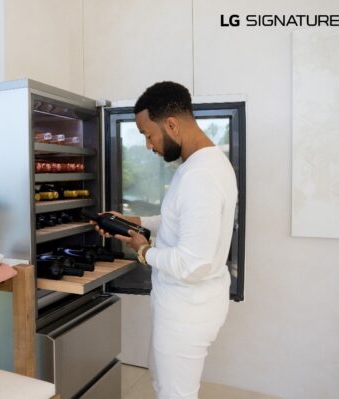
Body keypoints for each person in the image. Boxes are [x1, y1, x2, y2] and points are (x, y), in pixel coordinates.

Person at [93, 81, 238, 399]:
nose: (148, 145)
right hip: (184, 305)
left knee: (175, 394)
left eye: (148, 134)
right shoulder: (201, 166)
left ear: (171, 124)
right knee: (163, 385)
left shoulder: (201, 177)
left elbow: (193, 263)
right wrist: (135, 222)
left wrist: (143, 251)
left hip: (188, 312)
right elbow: (179, 223)